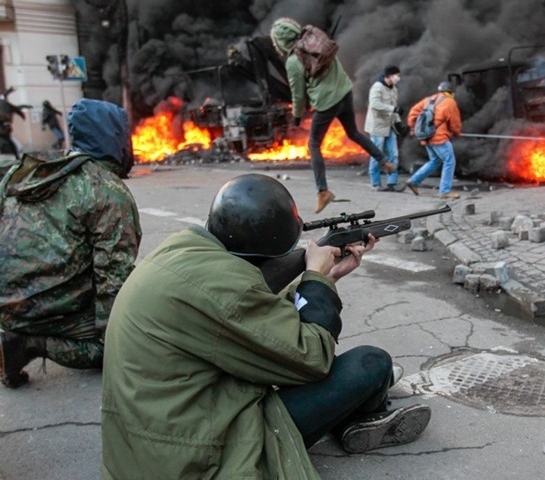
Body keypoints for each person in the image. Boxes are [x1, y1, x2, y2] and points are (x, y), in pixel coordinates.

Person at [101, 174, 431, 479]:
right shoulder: (224, 289)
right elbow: (312, 358)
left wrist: (327, 276)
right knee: (371, 364)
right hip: (194, 457)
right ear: (265, 250)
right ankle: (361, 418)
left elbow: (252, 315)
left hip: (150, 441)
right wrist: (315, 280)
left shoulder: (185, 252)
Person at [0, 98, 141, 388]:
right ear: (116, 139)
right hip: (45, 309)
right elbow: (113, 278)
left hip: (5, 303)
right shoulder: (108, 191)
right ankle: (30, 343)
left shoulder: (28, 173)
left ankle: (11, 337)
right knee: (134, 337)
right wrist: (115, 338)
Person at [270, 17, 396, 213]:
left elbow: (298, 93)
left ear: (280, 42)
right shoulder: (316, 38)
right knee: (353, 132)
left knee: (313, 144)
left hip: (327, 102)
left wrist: (296, 116)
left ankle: (323, 192)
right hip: (345, 92)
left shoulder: (294, 61)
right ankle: (384, 161)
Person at [405, 81, 463, 200]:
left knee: (435, 160)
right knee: (449, 161)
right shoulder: (450, 102)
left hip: (426, 136)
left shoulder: (429, 99)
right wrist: (457, 133)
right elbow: (455, 123)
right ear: (451, 92)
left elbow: (413, 112)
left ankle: (413, 181)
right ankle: (444, 192)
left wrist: (412, 127)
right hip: (439, 137)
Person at [365, 65, 406, 192]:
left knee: (394, 154)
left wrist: (399, 122)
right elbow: (375, 104)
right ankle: (375, 183)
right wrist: (393, 109)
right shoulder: (377, 87)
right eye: (397, 75)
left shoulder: (394, 89)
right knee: (377, 155)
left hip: (390, 126)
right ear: (389, 76)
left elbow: (395, 107)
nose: (399, 78)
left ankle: (392, 182)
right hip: (378, 127)